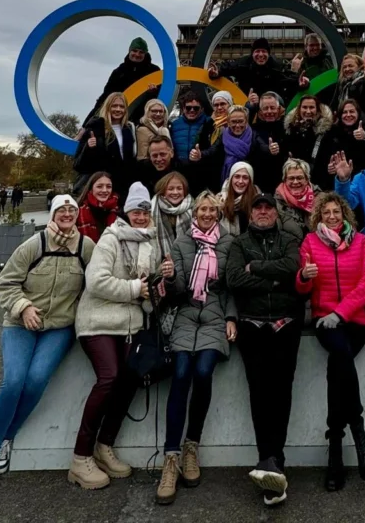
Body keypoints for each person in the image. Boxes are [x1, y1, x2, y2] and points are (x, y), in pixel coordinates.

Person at [0, 194, 93, 492]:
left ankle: (7, 437)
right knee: (13, 381)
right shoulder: (33, 245)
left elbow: (96, 281)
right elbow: (5, 283)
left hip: (58, 326)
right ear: (52, 214)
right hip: (20, 323)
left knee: (36, 380)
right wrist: (23, 307)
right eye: (61, 210)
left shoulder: (86, 247)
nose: (66, 214)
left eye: (71, 210)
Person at [70, 182, 162, 489]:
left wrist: (154, 291)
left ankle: (105, 444)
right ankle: (80, 457)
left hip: (129, 324)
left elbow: (148, 294)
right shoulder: (110, 239)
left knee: (131, 376)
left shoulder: (152, 242)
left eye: (145, 211)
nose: (140, 216)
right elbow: (96, 282)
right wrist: (136, 290)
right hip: (96, 321)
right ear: (127, 212)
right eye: (136, 210)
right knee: (109, 377)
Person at [155, 191, 238, 504]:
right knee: (180, 373)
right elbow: (176, 291)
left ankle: (192, 445)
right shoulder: (182, 241)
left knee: (203, 371)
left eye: (210, 209)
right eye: (201, 209)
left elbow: (230, 286)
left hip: (215, 314)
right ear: (195, 213)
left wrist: (231, 318)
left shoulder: (228, 243)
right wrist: (172, 275)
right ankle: (171, 457)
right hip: (186, 314)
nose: (206, 213)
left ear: (217, 213)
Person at [296, 192, 365, 492]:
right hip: (324, 320)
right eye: (326, 212)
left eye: (337, 212)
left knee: (337, 364)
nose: (332, 216)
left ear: (345, 215)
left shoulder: (361, 242)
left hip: (356, 320)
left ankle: (336, 452)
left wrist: (342, 313)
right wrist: (305, 276)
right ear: (318, 216)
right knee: (340, 355)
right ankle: (358, 431)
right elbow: (301, 286)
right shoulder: (310, 243)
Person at [226, 193, 303, 506]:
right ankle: (266, 458)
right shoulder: (238, 243)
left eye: (268, 207)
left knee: (282, 391)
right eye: (257, 207)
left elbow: (293, 268)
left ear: (275, 212)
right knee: (259, 392)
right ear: (251, 212)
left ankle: (275, 461)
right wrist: (274, 281)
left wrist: (256, 267)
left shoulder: (288, 239)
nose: (263, 212)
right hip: (251, 325)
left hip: (286, 323)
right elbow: (233, 278)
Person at [73, 92, 138, 204]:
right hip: (102, 186)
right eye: (114, 106)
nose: (118, 109)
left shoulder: (129, 129)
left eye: (122, 106)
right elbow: (78, 164)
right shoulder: (94, 128)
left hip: (123, 186)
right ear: (107, 107)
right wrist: (88, 147)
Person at [82, 37, 160, 126]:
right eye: (134, 51)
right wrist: (89, 120)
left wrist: (153, 92)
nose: (137, 54)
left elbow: (160, 96)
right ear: (129, 51)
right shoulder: (119, 71)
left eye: (141, 52)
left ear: (145, 54)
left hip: (142, 117)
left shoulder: (154, 71)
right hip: (119, 116)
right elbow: (106, 95)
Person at [208, 36, 309, 104]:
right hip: (247, 103)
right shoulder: (243, 63)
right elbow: (228, 67)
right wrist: (217, 73)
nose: (260, 55)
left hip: (270, 105)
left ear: (269, 54)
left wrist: (299, 82)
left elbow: (289, 80)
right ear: (252, 54)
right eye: (257, 51)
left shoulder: (276, 65)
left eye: (264, 51)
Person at [193, 105, 269, 190]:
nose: (237, 125)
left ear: (246, 121)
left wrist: (271, 149)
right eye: (233, 122)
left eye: (241, 121)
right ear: (228, 122)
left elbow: (264, 147)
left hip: (248, 181)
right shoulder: (223, 136)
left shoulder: (253, 135)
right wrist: (200, 154)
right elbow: (212, 150)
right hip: (226, 181)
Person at [316, 98, 365, 190]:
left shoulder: (364, 132)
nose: (348, 115)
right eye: (345, 112)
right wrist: (328, 168)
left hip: (361, 185)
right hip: (335, 185)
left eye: (352, 111)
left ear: (358, 114)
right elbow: (321, 159)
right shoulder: (331, 133)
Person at [249, 91, 287, 194]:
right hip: (259, 182)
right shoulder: (253, 129)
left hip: (283, 183)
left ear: (279, 109)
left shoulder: (287, 128)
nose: (269, 111)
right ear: (260, 111)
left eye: (272, 108)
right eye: (265, 108)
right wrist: (250, 107)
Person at [284, 94, 333, 173]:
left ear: (317, 109)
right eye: (304, 107)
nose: (308, 111)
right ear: (299, 109)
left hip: (320, 177)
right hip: (296, 177)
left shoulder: (327, 130)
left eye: (311, 107)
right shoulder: (291, 128)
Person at [275, 158, 322, 240]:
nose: (295, 182)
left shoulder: (321, 199)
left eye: (300, 178)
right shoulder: (276, 203)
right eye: (291, 178)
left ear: (307, 179)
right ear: (285, 180)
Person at [151, 171, 194, 260]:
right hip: (161, 261)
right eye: (170, 189)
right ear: (163, 191)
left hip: (188, 260)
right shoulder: (152, 208)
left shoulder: (194, 209)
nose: (175, 192)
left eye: (179, 188)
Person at [334, 54, 365, 126]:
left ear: (359, 66)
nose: (347, 69)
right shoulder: (343, 86)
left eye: (350, 66)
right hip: (348, 127)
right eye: (344, 67)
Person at [77, 172, 119, 244]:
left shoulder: (119, 211)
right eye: (99, 186)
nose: (104, 190)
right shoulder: (77, 211)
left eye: (108, 186)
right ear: (91, 188)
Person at [219, 162, 260, 236]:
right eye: (237, 176)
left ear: (250, 180)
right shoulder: (219, 200)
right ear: (231, 178)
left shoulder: (258, 201)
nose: (240, 181)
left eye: (245, 177)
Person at [170, 89, 210, 161]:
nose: (192, 110)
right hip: (179, 168)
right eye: (188, 108)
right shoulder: (175, 125)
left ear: (201, 109)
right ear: (183, 109)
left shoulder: (209, 123)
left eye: (196, 108)